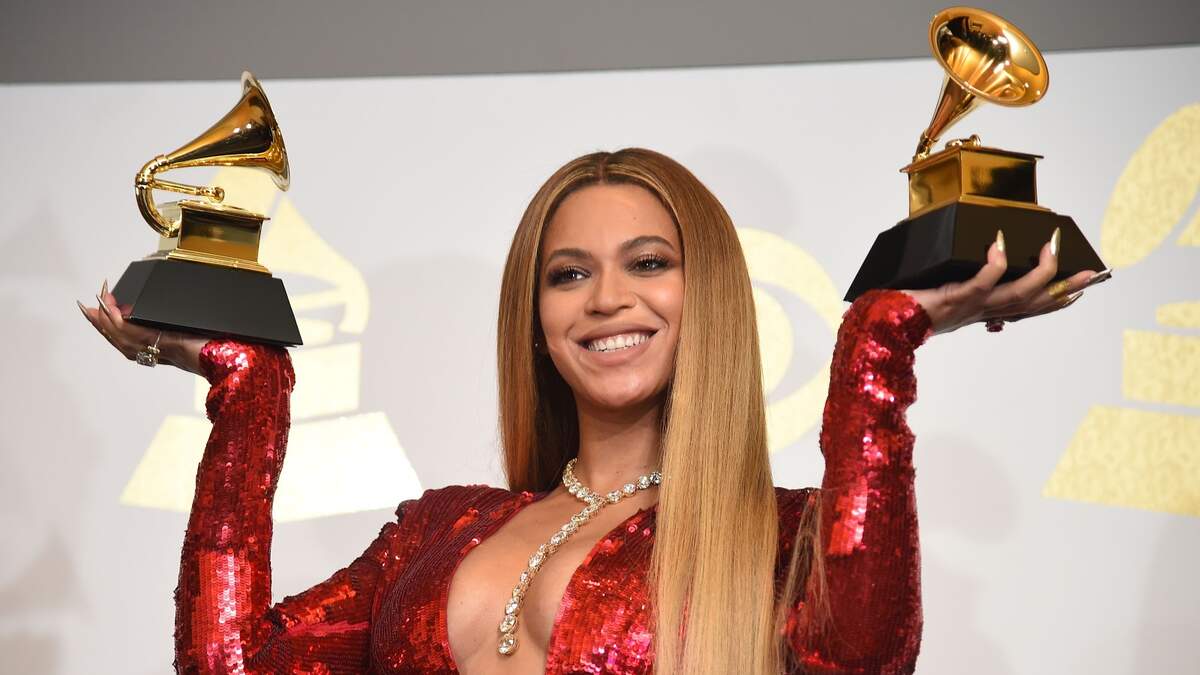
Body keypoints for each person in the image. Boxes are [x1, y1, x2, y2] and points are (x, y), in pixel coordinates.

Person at [81, 148, 1102, 674]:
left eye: (648, 264)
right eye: (568, 274)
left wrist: (877, 346)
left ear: (708, 297)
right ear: (535, 319)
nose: (607, 298)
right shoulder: (434, 529)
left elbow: (866, 658)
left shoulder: (784, 541)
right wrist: (248, 400)